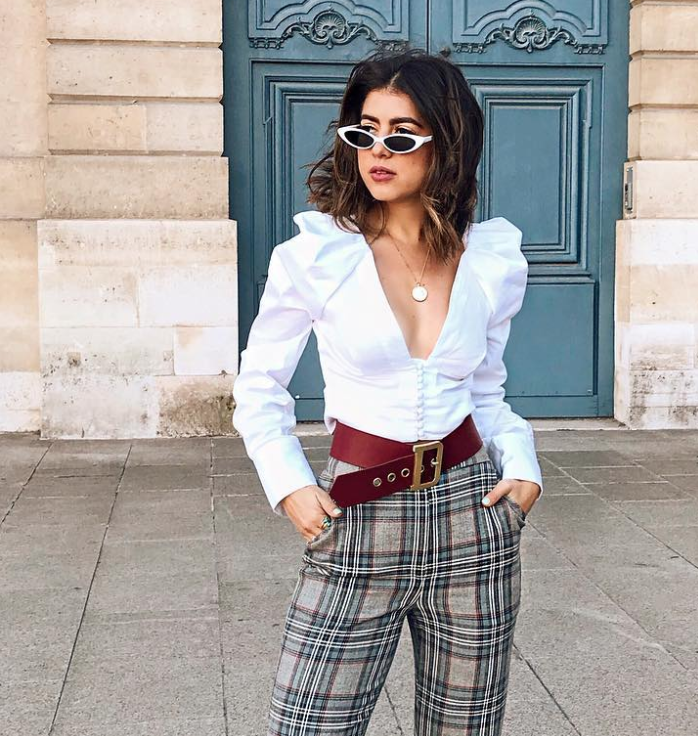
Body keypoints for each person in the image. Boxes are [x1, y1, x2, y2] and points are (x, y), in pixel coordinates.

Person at [231, 47, 543, 736]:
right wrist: (289, 483)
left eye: (402, 135)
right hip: (358, 512)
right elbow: (259, 384)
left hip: (472, 515)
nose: (378, 149)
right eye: (364, 131)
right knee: (308, 723)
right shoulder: (316, 256)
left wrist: (522, 465)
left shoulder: (489, 260)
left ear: (447, 143)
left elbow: (485, 390)